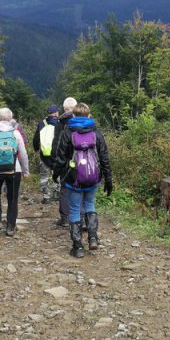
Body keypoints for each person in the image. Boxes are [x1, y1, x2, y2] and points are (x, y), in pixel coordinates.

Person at [54, 102, 112, 258]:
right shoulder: (96, 133)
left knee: (74, 209)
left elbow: (60, 157)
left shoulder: (67, 132)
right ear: (89, 115)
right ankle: (93, 238)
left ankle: (78, 247)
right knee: (89, 204)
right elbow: (104, 158)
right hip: (93, 177)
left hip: (73, 179)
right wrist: (108, 179)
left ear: (73, 115)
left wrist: (56, 174)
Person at [0, 107, 30, 236]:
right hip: (14, 169)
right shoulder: (15, 133)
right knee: (12, 198)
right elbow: (23, 154)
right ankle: (10, 227)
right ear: (10, 119)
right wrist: (26, 170)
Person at [51, 97, 77, 227]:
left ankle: (65, 218)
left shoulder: (59, 123)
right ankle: (81, 218)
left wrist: (55, 165)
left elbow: (56, 146)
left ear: (64, 108)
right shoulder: (83, 121)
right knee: (80, 189)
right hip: (81, 163)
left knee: (65, 189)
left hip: (65, 163)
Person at [32, 104, 60, 204]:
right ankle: (57, 194)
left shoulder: (41, 123)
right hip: (57, 154)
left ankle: (46, 196)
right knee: (57, 174)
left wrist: (36, 149)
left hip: (44, 154)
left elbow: (36, 139)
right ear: (56, 113)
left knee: (44, 176)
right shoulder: (60, 123)